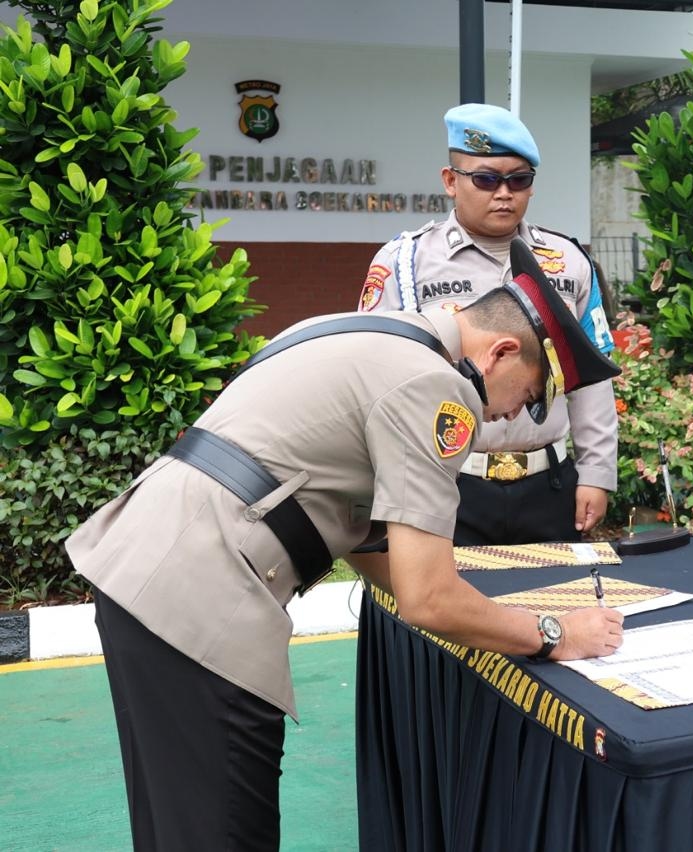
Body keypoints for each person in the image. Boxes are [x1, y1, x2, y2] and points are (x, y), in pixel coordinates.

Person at [65, 239, 625, 851]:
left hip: (142, 570)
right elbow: (426, 600)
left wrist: (477, 607)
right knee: (227, 832)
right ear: (501, 352)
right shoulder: (439, 388)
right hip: (202, 601)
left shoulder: (361, 331)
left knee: (179, 826)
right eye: (533, 394)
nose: (515, 415)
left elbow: (355, 528)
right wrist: (553, 634)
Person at [358, 103, 618, 546]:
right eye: (485, 179)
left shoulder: (569, 263)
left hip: (548, 484)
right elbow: (375, 379)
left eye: (519, 179)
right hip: (448, 482)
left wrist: (596, 472)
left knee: (551, 604)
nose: (504, 193)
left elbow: (590, 377)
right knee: (448, 611)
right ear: (450, 182)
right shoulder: (406, 263)